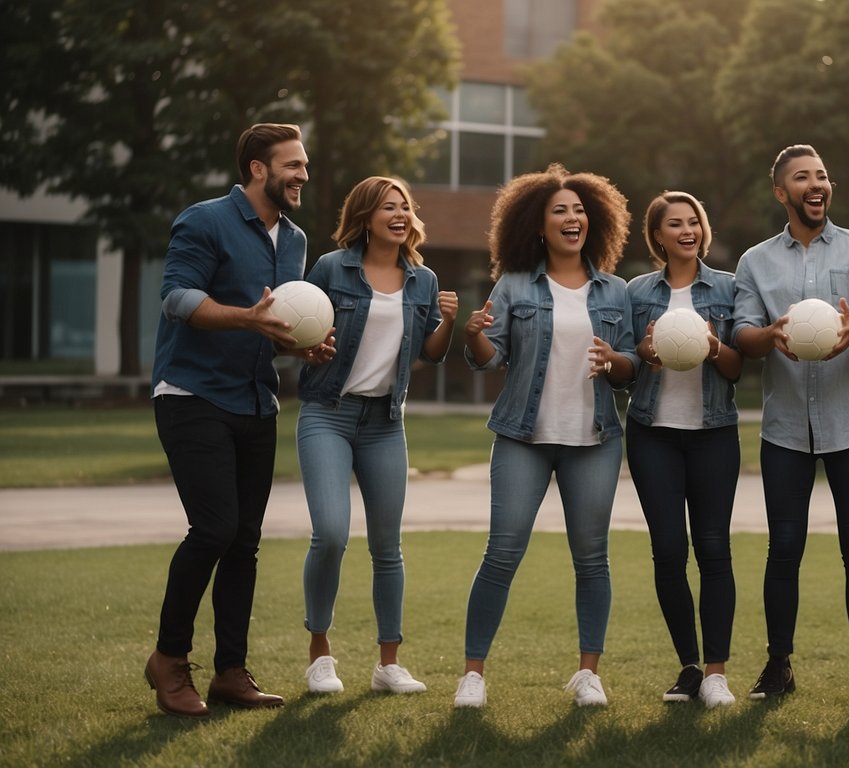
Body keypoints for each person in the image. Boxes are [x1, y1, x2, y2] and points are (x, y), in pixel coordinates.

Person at [145, 123, 332, 717]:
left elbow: (268, 324)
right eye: (293, 165)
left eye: (304, 165)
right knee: (215, 529)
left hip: (256, 401)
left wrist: (295, 346)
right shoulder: (204, 220)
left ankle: (231, 672)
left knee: (245, 544)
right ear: (258, 169)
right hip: (192, 396)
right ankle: (169, 661)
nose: (303, 174)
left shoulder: (295, 241)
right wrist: (250, 322)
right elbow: (176, 299)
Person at [452, 164, 635, 709]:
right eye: (560, 210)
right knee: (501, 554)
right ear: (538, 225)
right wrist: (477, 338)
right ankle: (473, 675)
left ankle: (588, 674)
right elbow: (491, 360)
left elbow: (632, 370)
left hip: (595, 439)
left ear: (593, 221)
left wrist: (616, 361)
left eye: (579, 210)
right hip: (522, 439)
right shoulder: (513, 286)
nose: (572, 217)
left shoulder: (615, 290)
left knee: (592, 558)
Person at [733, 144, 849, 710]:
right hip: (784, 429)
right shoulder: (755, 261)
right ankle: (779, 665)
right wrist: (768, 335)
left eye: (822, 175)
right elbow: (741, 334)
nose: (816, 184)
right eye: (802, 177)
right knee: (784, 548)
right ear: (782, 192)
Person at [296, 176, 457, 695]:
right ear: (365, 217)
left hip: (386, 422)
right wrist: (308, 348)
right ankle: (320, 655)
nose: (400, 214)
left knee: (387, 546)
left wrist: (449, 323)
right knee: (332, 534)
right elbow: (299, 329)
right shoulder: (331, 267)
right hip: (328, 413)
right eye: (389, 207)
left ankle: (389, 664)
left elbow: (430, 353)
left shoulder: (423, 279)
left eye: (405, 206)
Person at [625, 191, 743, 708]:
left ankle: (717, 672)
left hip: (713, 432)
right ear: (658, 236)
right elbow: (626, 368)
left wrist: (716, 347)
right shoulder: (635, 292)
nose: (687, 230)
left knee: (714, 549)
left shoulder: (728, 288)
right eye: (675, 224)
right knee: (669, 550)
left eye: (694, 221)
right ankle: (690, 667)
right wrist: (644, 354)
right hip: (652, 433)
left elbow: (740, 367)